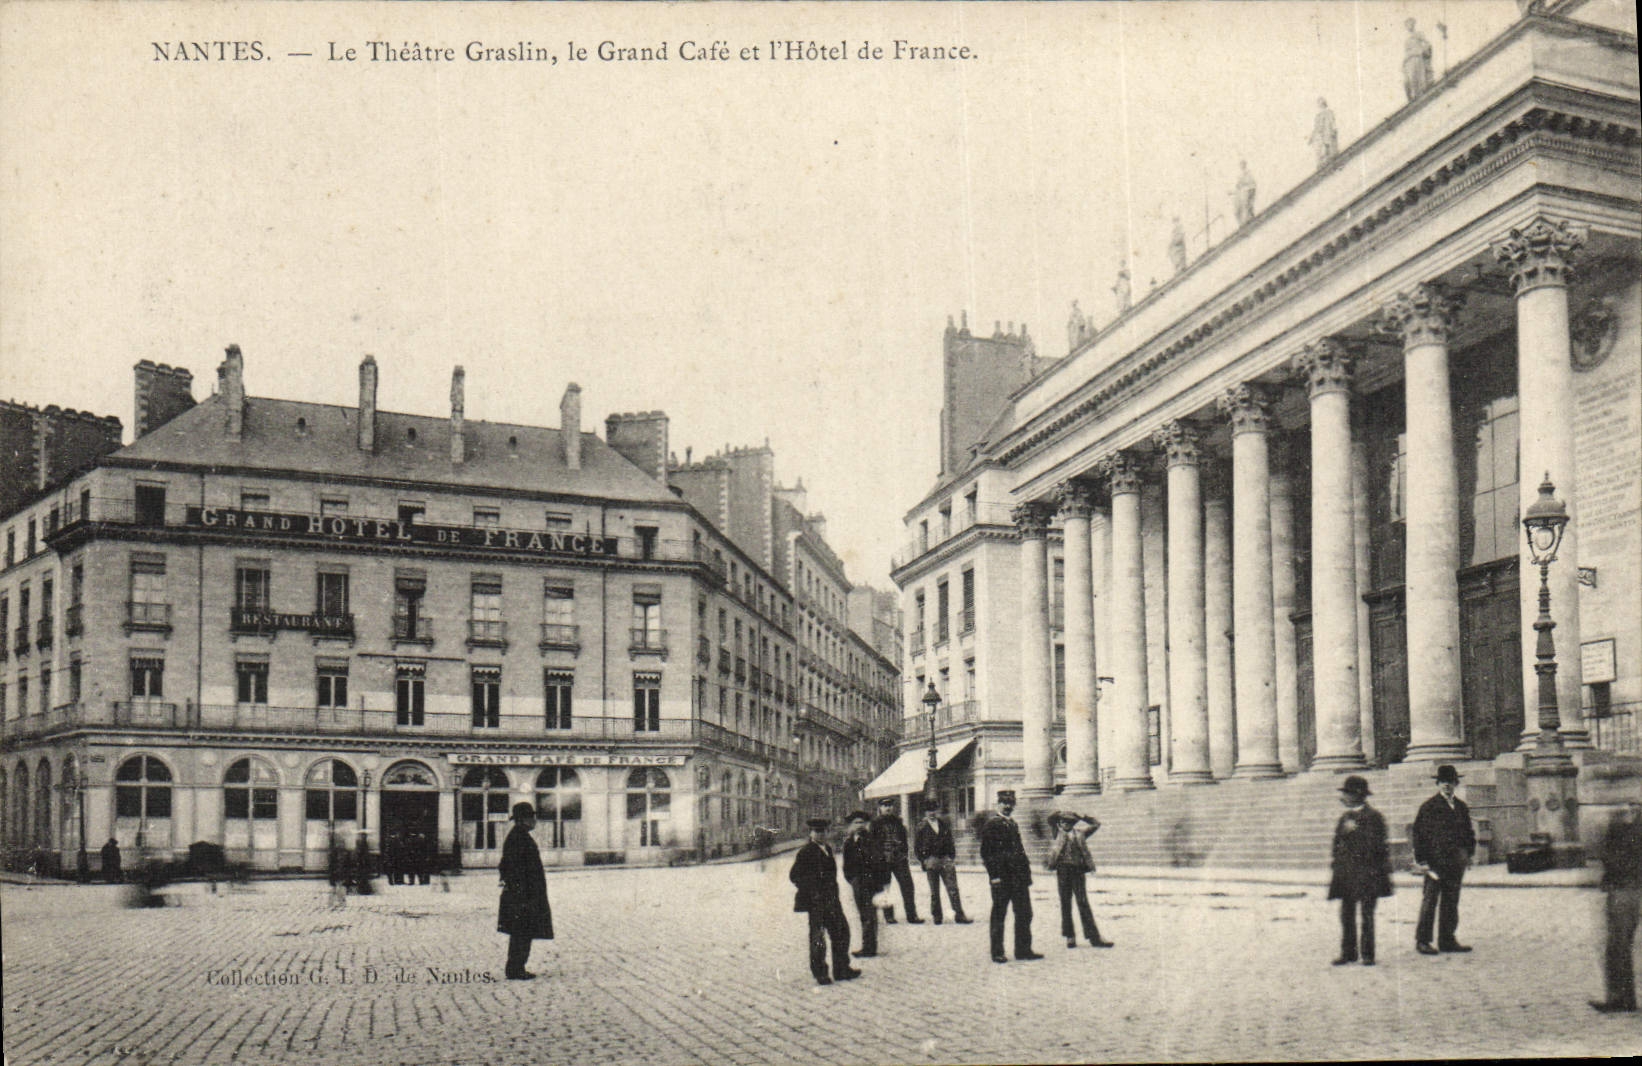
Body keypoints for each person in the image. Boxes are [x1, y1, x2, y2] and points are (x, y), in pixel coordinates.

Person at [1327, 776, 1392, 966]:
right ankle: (1348, 953)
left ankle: (1368, 954)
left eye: (1346, 793)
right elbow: (1336, 844)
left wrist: (1354, 833)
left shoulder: (1373, 817)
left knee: (1366, 915)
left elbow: (1376, 846)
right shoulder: (1345, 818)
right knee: (1346, 915)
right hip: (1346, 875)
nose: (1343, 797)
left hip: (1367, 875)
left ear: (1357, 796)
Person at [789, 817, 861, 986]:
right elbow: (794, 876)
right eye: (817, 831)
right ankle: (820, 973)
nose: (820, 834)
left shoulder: (828, 849)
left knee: (842, 933)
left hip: (832, 900)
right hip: (816, 903)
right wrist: (812, 890)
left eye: (823, 831)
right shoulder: (806, 852)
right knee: (818, 939)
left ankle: (841, 969)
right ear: (811, 833)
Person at [1412, 764, 1476, 955]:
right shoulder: (1429, 807)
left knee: (1451, 901)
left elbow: (1468, 833)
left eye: (1450, 782)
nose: (1447, 785)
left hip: (1455, 862)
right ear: (1438, 784)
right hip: (1435, 863)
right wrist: (1422, 861)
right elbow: (1419, 835)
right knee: (1430, 901)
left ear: (1456, 784)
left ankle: (1447, 939)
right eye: (1443, 782)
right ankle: (1423, 941)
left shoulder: (1461, 807)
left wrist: (1469, 854)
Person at [1592, 801, 1642, 1013]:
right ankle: (1623, 997)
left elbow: (1619, 860)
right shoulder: (1628, 829)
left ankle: (1620, 999)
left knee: (1618, 945)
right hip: (1624, 888)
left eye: (1632, 808)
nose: (1628, 812)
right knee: (1617, 945)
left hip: (1626, 889)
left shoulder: (1632, 832)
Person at [980, 791, 1040, 963]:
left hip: (1019, 878)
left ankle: (1023, 950)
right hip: (1002, 878)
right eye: (1004, 802)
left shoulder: (1012, 824)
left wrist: (1026, 876)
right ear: (997, 804)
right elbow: (986, 853)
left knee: (1024, 913)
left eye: (1010, 803)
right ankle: (997, 952)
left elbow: (1020, 852)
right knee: (999, 915)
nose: (1008, 806)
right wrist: (994, 876)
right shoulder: (992, 824)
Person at [498, 802, 553, 980]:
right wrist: (522, 893)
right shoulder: (519, 838)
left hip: (523, 894)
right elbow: (512, 867)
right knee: (522, 931)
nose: (535, 821)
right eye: (532, 817)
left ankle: (516, 967)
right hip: (523, 895)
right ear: (525, 819)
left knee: (522, 931)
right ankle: (515, 969)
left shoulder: (518, 836)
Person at [1047, 811, 1114, 950]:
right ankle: (1069, 936)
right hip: (1063, 871)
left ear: (1074, 824)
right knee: (1065, 903)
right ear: (1060, 823)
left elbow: (1096, 824)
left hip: (1078, 871)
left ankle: (1094, 937)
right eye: (1063, 822)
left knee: (1083, 902)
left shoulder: (1080, 834)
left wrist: (1083, 816)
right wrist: (1060, 812)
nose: (1066, 824)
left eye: (1070, 822)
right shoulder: (1057, 833)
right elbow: (1050, 819)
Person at [914, 805, 970, 925]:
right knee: (934, 891)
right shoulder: (921, 827)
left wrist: (951, 857)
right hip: (931, 860)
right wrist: (924, 860)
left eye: (934, 810)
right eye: (929, 810)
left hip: (945, 859)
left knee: (953, 888)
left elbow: (950, 840)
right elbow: (917, 847)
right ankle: (937, 916)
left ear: (937, 811)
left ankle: (959, 915)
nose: (932, 813)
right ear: (925, 812)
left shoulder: (943, 824)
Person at [871, 798, 923, 924]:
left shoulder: (898, 822)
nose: (888, 808)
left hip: (899, 859)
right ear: (880, 808)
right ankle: (889, 916)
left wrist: (904, 853)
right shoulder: (875, 824)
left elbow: (904, 839)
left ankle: (912, 915)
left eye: (890, 805)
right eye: (885, 805)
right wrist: (878, 858)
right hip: (883, 860)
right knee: (885, 888)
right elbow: (872, 843)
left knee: (908, 886)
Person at [842, 811, 884, 958]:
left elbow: (879, 861)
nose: (859, 826)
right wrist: (852, 879)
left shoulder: (871, 840)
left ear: (866, 825)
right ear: (851, 825)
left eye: (862, 823)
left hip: (870, 881)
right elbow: (846, 865)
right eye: (856, 823)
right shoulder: (849, 842)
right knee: (863, 914)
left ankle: (869, 947)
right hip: (857, 882)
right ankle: (868, 944)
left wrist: (878, 883)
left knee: (869, 915)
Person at [1403, 18, 1435, 101]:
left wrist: (1423, 50)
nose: (1409, 26)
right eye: (1407, 24)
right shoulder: (1406, 39)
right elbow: (1407, 50)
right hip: (1409, 59)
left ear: (1413, 24)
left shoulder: (1418, 34)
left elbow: (1427, 44)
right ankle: (1414, 94)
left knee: (1418, 75)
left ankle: (1421, 90)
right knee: (1410, 78)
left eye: (1410, 24)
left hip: (1417, 57)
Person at [1308, 97, 1339, 169]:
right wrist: (1311, 138)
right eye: (1319, 103)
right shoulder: (1318, 116)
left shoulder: (1329, 113)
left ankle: (1330, 160)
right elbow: (1316, 128)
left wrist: (1334, 130)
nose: (1320, 105)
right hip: (1321, 136)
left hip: (1327, 134)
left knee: (1328, 148)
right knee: (1320, 149)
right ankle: (1322, 163)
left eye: (1321, 103)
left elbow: (1332, 122)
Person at [1233, 160, 1257, 227]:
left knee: (1247, 207)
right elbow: (1237, 186)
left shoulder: (1248, 173)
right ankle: (1242, 224)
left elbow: (1252, 184)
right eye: (1241, 165)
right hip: (1242, 193)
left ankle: (1249, 220)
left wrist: (1243, 184)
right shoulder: (1240, 175)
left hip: (1248, 191)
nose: (1242, 166)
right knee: (1237, 211)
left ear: (1245, 165)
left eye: (1243, 164)